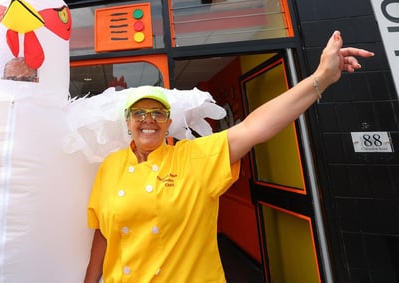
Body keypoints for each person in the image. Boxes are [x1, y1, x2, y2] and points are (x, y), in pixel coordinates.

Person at [83, 31, 374, 282]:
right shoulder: (111, 166)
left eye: (158, 113)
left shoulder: (192, 158)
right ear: (128, 122)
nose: (149, 120)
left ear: (169, 123)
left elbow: (253, 128)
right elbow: (103, 233)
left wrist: (319, 79)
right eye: (139, 113)